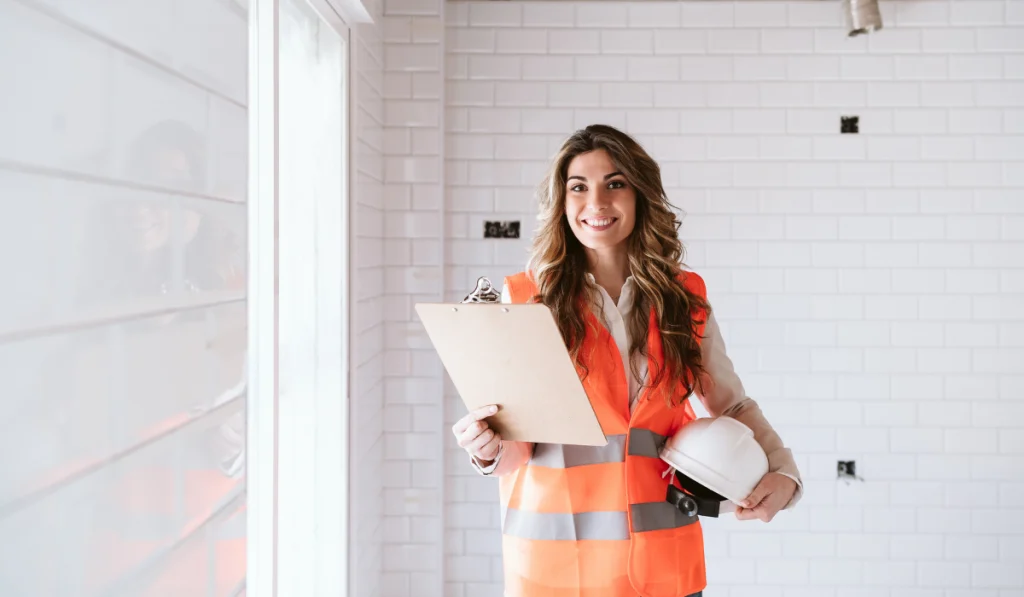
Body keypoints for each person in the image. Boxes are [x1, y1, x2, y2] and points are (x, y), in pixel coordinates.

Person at [451, 124, 803, 597]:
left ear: (640, 195)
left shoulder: (682, 298)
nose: (596, 203)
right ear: (562, 202)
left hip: (665, 563)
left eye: (614, 184)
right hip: (557, 573)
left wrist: (783, 472)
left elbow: (730, 405)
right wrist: (485, 447)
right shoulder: (525, 300)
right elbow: (516, 445)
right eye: (579, 187)